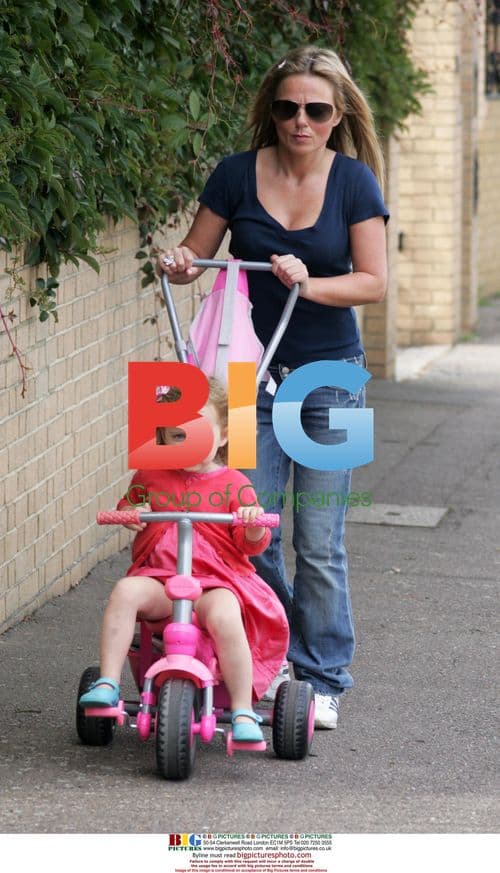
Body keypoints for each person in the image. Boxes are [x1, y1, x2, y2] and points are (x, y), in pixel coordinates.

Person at [157, 46, 389, 729]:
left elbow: (373, 281)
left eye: (316, 109)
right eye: (287, 107)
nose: (300, 120)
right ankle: (272, 651)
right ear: (271, 111)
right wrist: (177, 261)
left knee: (319, 539)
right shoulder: (235, 175)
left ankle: (324, 677)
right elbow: (191, 261)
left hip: (331, 378)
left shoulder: (354, 183)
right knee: (245, 529)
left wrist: (307, 282)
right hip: (241, 377)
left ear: (337, 114)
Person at [79, 379, 289, 743]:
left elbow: (250, 543)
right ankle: (108, 683)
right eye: (177, 435)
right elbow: (131, 505)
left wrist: (253, 525)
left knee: (226, 614)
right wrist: (132, 512)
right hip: (160, 579)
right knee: (126, 591)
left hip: (215, 581)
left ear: (222, 437)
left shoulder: (235, 484)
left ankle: (241, 710)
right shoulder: (150, 475)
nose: (187, 443)